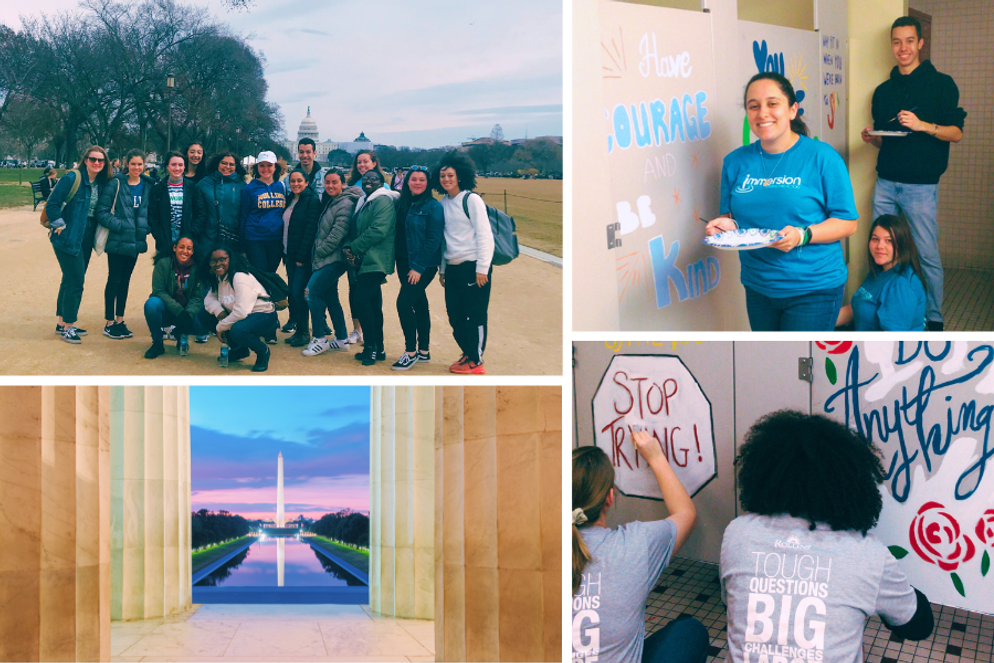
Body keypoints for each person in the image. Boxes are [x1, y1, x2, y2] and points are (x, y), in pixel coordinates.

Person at [720, 410, 934, 662]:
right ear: (852, 483)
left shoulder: (739, 534)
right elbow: (918, 626)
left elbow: (731, 604)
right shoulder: (868, 555)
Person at [705, 72, 858, 331]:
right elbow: (732, 219)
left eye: (772, 103)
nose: (762, 113)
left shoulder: (822, 157)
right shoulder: (735, 162)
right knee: (771, 364)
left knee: (802, 367)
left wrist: (802, 235)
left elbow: (847, 223)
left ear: (792, 110)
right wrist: (723, 228)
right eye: (754, 106)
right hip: (758, 285)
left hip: (813, 286)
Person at [861, 16, 966, 332]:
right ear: (891, 45)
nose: (902, 48)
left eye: (909, 40)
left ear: (920, 43)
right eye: (897, 41)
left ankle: (934, 317)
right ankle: (879, 304)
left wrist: (922, 125)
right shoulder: (883, 91)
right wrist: (873, 137)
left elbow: (956, 133)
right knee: (880, 248)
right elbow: (886, 142)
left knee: (926, 252)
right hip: (885, 181)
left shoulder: (942, 84)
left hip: (921, 185)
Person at [572, 436, 707, 663]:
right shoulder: (634, 545)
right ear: (610, 497)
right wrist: (655, 457)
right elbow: (686, 513)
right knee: (690, 632)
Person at [434, 150, 494, 374]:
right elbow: (444, 240)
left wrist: (482, 268)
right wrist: (442, 269)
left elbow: (484, 235)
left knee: (475, 314)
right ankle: (468, 352)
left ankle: (476, 361)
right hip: (452, 269)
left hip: (473, 266)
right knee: (455, 316)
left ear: (460, 176)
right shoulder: (442, 203)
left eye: (450, 175)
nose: (446, 179)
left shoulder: (472, 200)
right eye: (442, 176)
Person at [46, 145, 113, 344]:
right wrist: (59, 224)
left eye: (101, 160)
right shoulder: (72, 178)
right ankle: (68, 326)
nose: (97, 163)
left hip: (86, 237)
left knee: (70, 279)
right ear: (85, 160)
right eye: (93, 159)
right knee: (76, 281)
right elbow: (52, 204)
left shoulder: (101, 183)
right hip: (68, 236)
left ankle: (61, 322)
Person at [302, 169, 362, 357]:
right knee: (331, 298)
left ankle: (320, 338)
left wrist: (318, 252)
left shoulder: (345, 203)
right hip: (329, 257)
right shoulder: (334, 201)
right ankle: (342, 338)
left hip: (332, 258)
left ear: (343, 184)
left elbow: (337, 234)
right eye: (327, 182)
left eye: (334, 182)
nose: (330, 186)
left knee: (311, 293)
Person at [96, 149, 153, 340]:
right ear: (126, 164)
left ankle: (120, 319)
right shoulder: (116, 183)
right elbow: (102, 212)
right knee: (114, 279)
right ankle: (109, 321)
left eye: (140, 164)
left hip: (135, 242)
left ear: (144, 165)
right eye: (133, 164)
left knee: (125, 281)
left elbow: (149, 212)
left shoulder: (147, 185)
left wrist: (145, 228)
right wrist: (121, 226)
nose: (136, 168)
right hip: (118, 239)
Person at [837, 214, 927, 331]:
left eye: (889, 241)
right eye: (875, 239)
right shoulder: (881, 270)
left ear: (902, 244)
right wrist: (820, 322)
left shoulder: (901, 286)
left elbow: (891, 343)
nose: (880, 246)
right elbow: (857, 307)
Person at [391, 166, 442, 370]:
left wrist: (418, 267)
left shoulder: (432, 206)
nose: (418, 183)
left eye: (422, 180)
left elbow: (433, 240)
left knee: (403, 303)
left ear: (427, 183)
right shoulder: (403, 203)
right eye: (414, 179)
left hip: (423, 264)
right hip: (404, 261)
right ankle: (424, 351)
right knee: (419, 302)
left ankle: (410, 351)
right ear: (407, 181)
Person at [198, 246, 278, 372]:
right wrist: (221, 313)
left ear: (230, 259)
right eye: (213, 261)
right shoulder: (219, 278)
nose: (218, 264)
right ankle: (239, 350)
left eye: (222, 259)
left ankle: (263, 352)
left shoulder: (239, 277)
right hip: (243, 316)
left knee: (238, 330)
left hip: (264, 315)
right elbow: (208, 300)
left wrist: (220, 326)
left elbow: (241, 312)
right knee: (204, 314)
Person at [344, 170, 395, 366]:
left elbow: (379, 230)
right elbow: (356, 227)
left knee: (361, 301)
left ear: (382, 183)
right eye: (365, 179)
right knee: (373, 306)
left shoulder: (382, 200)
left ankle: (370, 347)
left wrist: (353, 247)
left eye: (374, 179)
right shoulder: (366, 200)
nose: (369, 181)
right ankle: (378, 348)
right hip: (367, 258)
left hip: (376, 259)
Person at [240, 150, 286, 343]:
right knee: (262, 283)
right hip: (255, 239)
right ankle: (268, 327)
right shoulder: (250, 189)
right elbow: (243, 216)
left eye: (269, 165)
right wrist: (242, 244)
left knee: (270, 279)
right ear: (256, 167)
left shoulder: (281, 186)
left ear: (275, 167)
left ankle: (266, 322)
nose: (266, 169)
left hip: (275, 240)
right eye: (262, 166)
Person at [143, 235, 212, 359]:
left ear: (192, 251)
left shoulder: (197, 268)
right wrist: (180, 312)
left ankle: (181, 334)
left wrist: (188, 314)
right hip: (167, 310)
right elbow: (158, 291)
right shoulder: (163, 263)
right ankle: (157, 343)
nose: (185, 251)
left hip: (186, 312)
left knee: (203, 325)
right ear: (174, 248)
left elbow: (197, 297)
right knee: (151, 304)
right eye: (182, 247)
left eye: (189, 248)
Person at [282, 169, 322, 347]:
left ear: (307, 182)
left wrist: (301, 256)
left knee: (299, 294)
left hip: (301, 257)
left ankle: (304, 332)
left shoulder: (312, 200)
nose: (296, 184)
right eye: (292, 181)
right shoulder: (291, 198)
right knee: (293, 293)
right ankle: (299, 330)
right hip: (290, 255)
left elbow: (310, 230)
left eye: (299, 181)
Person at [194, 151, 246, 263]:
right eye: (224, 163)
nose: (227, 167)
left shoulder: (242, 186)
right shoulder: (204, 183)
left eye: (231, 164)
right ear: (217, 163)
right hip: (208, 236)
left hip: (232, 237)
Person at [148, 151, 197, 255]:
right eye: (173, 164)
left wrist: (192, 233)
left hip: (187, 237)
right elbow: (152, 215)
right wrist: (158, 234)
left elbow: (200, 213)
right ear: (167, 166)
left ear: (184, 167)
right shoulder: (158, 189)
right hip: (165, 238)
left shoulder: (193, 188)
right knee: (164, 268)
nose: (177, 168)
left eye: (180, 165)